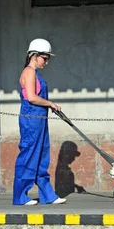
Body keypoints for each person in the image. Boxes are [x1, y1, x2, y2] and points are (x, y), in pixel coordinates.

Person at [12, 38, 67, 206]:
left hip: (40, 120)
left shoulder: (36, 73)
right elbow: (31, 97)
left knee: (42, 156)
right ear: (34, 55)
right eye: (45, 58)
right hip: (31, 120)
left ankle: (47, 195)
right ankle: (20, 196)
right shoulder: (29, 72)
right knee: (29, 155)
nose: (46, 62)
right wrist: (50, 103)